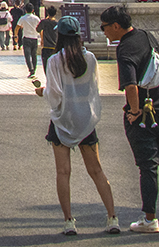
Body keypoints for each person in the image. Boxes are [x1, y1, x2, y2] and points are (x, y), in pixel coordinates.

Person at [97, 7, 159, 231]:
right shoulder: (147, 36)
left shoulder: (125, 48)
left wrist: (134, 111)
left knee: (148, 166)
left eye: (104, 27)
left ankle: (150, 218)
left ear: (115, 26)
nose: (104, 32)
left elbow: (130, 85)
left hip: (144, 113)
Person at [37, 16, 119, 235]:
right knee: (96, 170)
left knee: (63, 172)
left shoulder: (55, 60)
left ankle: (69, 221)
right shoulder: (90, 58)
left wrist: (42, 92)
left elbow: (54, 93)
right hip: (85, 118)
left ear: (60, 36)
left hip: (63, 118)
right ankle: (112, 217)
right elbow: (92, 88)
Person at [17, 6, 42, 78]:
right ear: (33, 10)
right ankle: (34, 69)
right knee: (34, 55)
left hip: (26, 38)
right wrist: (42, 39)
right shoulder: (36, 18)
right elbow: (40, 29)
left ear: (25, 10)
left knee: (27, 55)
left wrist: (15, 36)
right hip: (34, 38)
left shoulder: (23, 18)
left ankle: (31, 70)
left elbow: (17, 27)